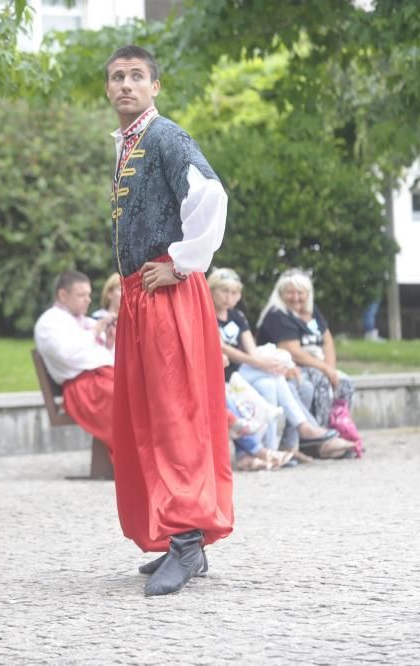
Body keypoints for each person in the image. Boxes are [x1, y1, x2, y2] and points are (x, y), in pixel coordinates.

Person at [104, 45, 233, 597]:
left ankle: (185, 542)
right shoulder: (130, 142)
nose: (125, 85)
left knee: (176, 417)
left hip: (167, 297)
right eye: (116, 77)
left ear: (155, 86)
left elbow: (210, 196)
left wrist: (182, 264)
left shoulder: (165, 137)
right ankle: (182, 540)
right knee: (146, 420)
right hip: (140, 298)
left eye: (136, 76)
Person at [208, 267, 352, 460]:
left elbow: (251, 350)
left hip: (242, 371)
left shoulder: (238, 317)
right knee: (273, 377)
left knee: (271, 383)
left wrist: (272, 364)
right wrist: (264, 365)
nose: (228, 297)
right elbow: (224, 348)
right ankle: (302, 429)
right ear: (211, 290)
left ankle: (271, 449)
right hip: (225, 373)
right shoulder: (207, 314)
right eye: (223, 291)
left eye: (234, 292)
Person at [256, 269, 358, 455]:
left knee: (345, 383)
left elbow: (327, 340)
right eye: (290, 292)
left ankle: (338, 429)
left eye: (300, 292)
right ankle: (318, 442)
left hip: (316, 365)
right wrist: (326, 370)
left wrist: (331, 369)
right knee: (319, 381)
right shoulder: (277, 315)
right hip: (290, 367)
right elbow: (294, 352)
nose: (296, 297)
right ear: (280, 292)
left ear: (308, 294)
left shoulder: (312, 313)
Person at [34, 270, 115, 455]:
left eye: (88, 294)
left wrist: (109, 343)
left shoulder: (83, 320)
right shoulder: (49, 322)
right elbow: (67, 354)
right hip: (83, 387)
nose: (87, 300)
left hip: (103, 379)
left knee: (142, 391)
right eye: (81, 295)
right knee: (125, 397)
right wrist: (94, 333)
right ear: (63, 295)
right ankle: (136, 459)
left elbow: (98, 355)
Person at [91, 273, 122, 351]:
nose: (125, 294)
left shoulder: (132, 320)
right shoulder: (97, 318)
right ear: (110, 294)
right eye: (121, 289)